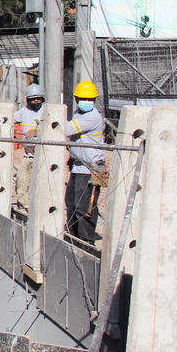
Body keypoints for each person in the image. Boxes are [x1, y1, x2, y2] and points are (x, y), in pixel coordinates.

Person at [65, 80, 106, 244]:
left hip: (90, 168)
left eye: (89, 99)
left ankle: (86, 238)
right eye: (83, 98)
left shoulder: (92, 116)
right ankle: (72, 233)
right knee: (70, 202)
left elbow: (67, 129)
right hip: (78, 166)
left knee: (84, 206)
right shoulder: (78, 113)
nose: (86, 102)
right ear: (76, 98)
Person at [13, 84, 46, 210]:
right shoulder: (24, 111)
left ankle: (39, 208)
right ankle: (25, 206)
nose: (36, 101)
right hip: (28, 154)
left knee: (39, 183)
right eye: (33, 99)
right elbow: (10, 119)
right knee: (21, 181)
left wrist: (38, 131)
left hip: (42, 154)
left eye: (38, 98)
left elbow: (54, 128)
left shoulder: (46, 111)